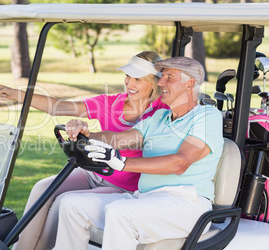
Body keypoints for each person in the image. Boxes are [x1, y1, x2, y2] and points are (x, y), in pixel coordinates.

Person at [0, 51, 169, 250]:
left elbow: (131, 140)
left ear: (154, 82)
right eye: (128, 76)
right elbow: (59, 107)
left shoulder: (162, 111)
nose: (129, 83)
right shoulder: (112, 103)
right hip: (92, 172)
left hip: (124, 185)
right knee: (43, 188)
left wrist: (90, 135)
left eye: (137, 79)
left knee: (63, 202)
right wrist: (15, 94)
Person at [54, 57, 224, 250]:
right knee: (71, 204)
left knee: (120, 212)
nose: (161, 82)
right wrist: (86, 134)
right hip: (145, 198)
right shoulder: (159, 117)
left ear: (190, 83)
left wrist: (122, 162)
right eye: (161, 77)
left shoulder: (207, 116)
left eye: (169, 77)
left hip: (186, 203)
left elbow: (180, 163)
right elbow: (118, 138)